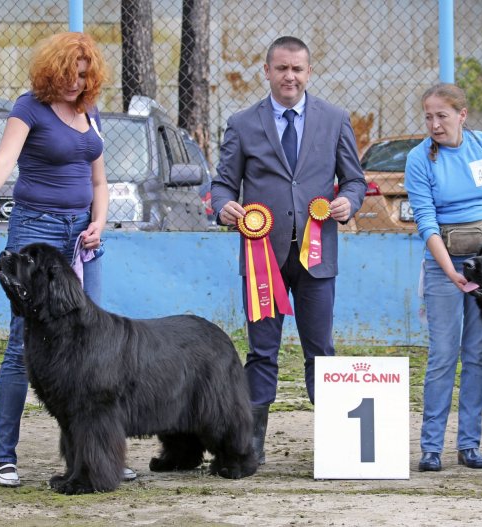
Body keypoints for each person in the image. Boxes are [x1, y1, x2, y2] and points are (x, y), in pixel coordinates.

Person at [0, 32, 132, 487]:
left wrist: (99, 221)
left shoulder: (88, 112)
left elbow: (99, 182)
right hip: (37, 230)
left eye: (84, 76)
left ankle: (100, 454)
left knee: (94, 344)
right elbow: (2, 160)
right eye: (70, 75)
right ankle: (3, 456)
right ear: (52, 70)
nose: (76, 84)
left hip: (83, 236)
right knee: (22, 343)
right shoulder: (28, 107)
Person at [212, 36, 367, 465]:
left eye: (297, 69)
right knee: (262, 351)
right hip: (263, 260)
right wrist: (223, 204)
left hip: (318, 260)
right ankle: (250, 446)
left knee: (321, 351)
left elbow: (355, 180)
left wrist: (348, 202)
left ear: (308, 72)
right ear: (266, 71)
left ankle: (340, 447)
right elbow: (223, 183)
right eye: (281, 68)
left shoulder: (334, 119)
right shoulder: (242, 123)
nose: (289, 77)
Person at [404, 83, 482, 472]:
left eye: (442, 115)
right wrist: (451, 273)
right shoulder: (418, 159)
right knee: (443, 355)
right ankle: (430, 447)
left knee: (477, 356)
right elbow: (426, 222)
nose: (434, 124)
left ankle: (469, 445)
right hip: (445, 268)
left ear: (462, 115)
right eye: (428, 116)